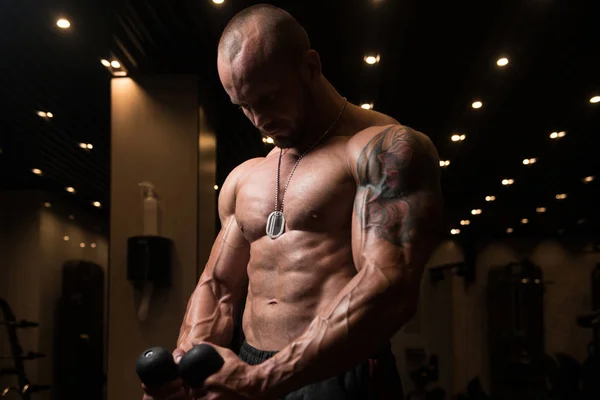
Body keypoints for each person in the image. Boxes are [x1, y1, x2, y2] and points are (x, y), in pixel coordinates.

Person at [143, 3, 443, 400]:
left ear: (310, 67)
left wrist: (264, 380)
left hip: (338, 376)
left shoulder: (383, 149)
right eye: (243, 106)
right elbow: (217, 287)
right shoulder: (246, 176)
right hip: (248, 368)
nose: (258, 119)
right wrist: (188, 367)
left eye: (268, 97)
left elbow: (390, 287)